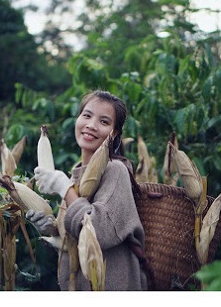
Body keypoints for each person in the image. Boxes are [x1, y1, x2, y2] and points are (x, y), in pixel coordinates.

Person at [28, 90, 148, 291]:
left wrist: (63, 187)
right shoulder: (76, 174)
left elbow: (98, 231)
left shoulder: (116, 170)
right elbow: (76, 231)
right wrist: (49, 227)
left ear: (115, 133)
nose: (91, 125)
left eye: (104, 121)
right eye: (87, 115)